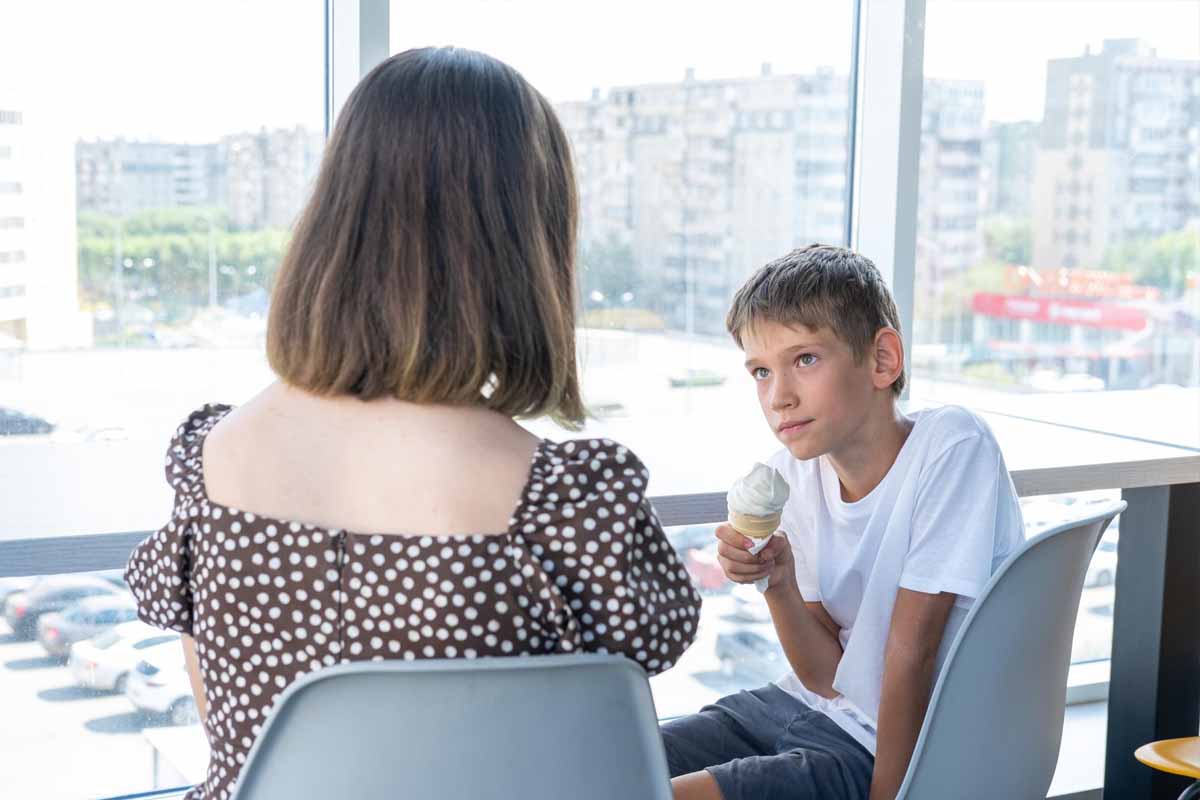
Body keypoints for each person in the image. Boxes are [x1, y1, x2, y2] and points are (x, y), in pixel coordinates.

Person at [124, 47, 702, 800]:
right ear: (525, 243)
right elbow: (610, 723)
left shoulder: (211, 460)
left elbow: (230, 739)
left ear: (336, 217)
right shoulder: (566, 502)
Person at [663, 244, 1024, 800]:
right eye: (761, 371)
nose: (778, 397)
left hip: (884, 746)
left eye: (804, 360)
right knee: (611, 759)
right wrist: (777, 582)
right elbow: (827, 678)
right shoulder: (795, 476)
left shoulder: (952, 445)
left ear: (883, 359)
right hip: (794, 707)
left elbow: (913, 654)